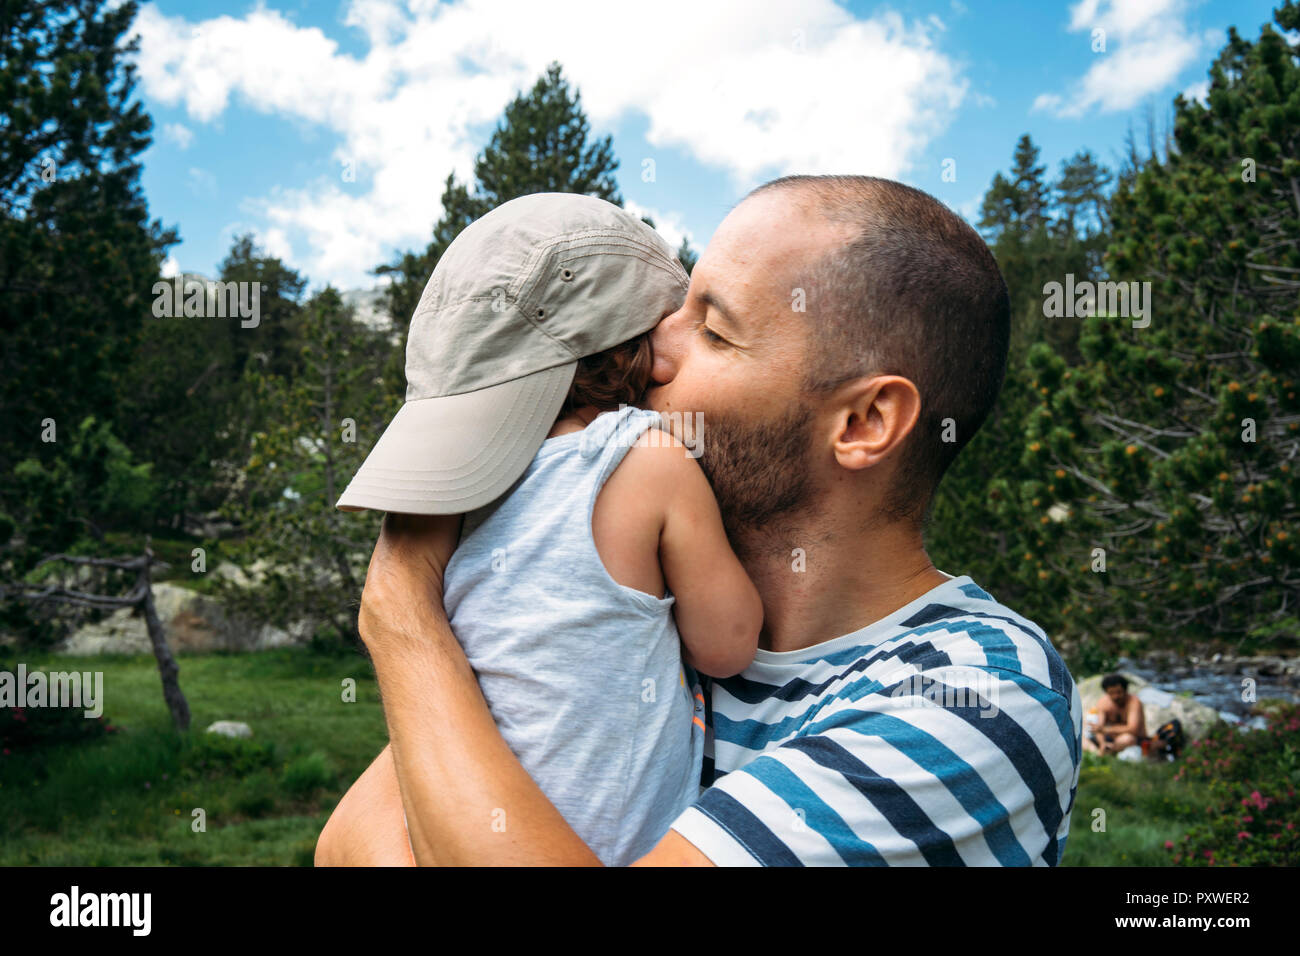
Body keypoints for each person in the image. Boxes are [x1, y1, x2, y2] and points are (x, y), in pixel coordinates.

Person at [316, 174, 1083, 867]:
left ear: (863, 422)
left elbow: (432, 802)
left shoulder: (974, 692)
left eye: (714, 330)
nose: (652, 352)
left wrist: (404, 621)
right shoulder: (636, 618)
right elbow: (346, 847)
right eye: (673, 309)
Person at [331, 193, 763, 866]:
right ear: (647, 352)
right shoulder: (648, 456)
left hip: (449, 817)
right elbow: (729, 644)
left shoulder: (462, 499)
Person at [1082, 674, 1147, 756]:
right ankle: (1099, 752)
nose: (1115, 696)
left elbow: (1133, 729)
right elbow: (1098, 728)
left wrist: (1106, 730)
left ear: (1125, 690)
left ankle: (1105, 752)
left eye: (1119, 692)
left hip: (1131, 739)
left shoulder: (1134, 702)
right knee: (1081, 739)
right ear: (1106, 692)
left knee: (1127, 739)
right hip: (1109, 739)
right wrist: (1102, 743)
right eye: (1111, 693)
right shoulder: (1103, 702)